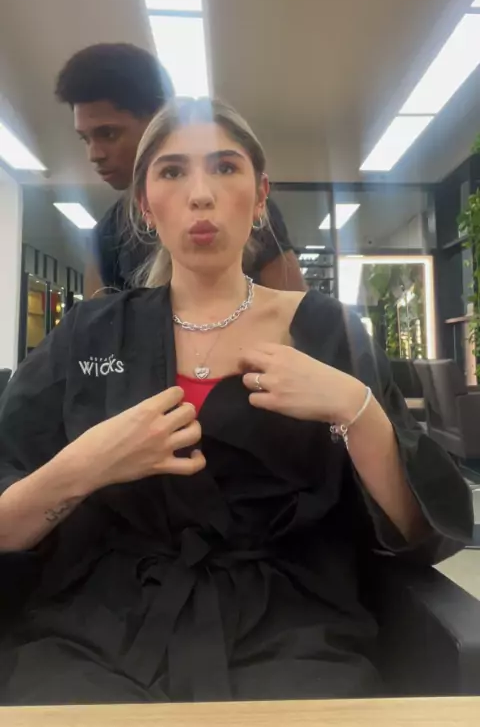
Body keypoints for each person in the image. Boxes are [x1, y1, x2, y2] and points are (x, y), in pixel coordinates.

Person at [0, 98, 472, 705]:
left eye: (225, 167)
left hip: (293, 626)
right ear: (144, 204)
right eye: (173, 171)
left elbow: (416, 529)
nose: (201, 194)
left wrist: (357, 409)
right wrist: (86, 465)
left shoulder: (329, 332)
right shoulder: (90, 334)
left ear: (260, 195)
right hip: (98, 625)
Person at [55, 43, 305, 297]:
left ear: (159, 121)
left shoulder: (242, 206)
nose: (94, 154)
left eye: (108, 134)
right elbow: (96, 318)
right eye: (85, 139)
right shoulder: (107, 234)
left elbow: (294, 311)